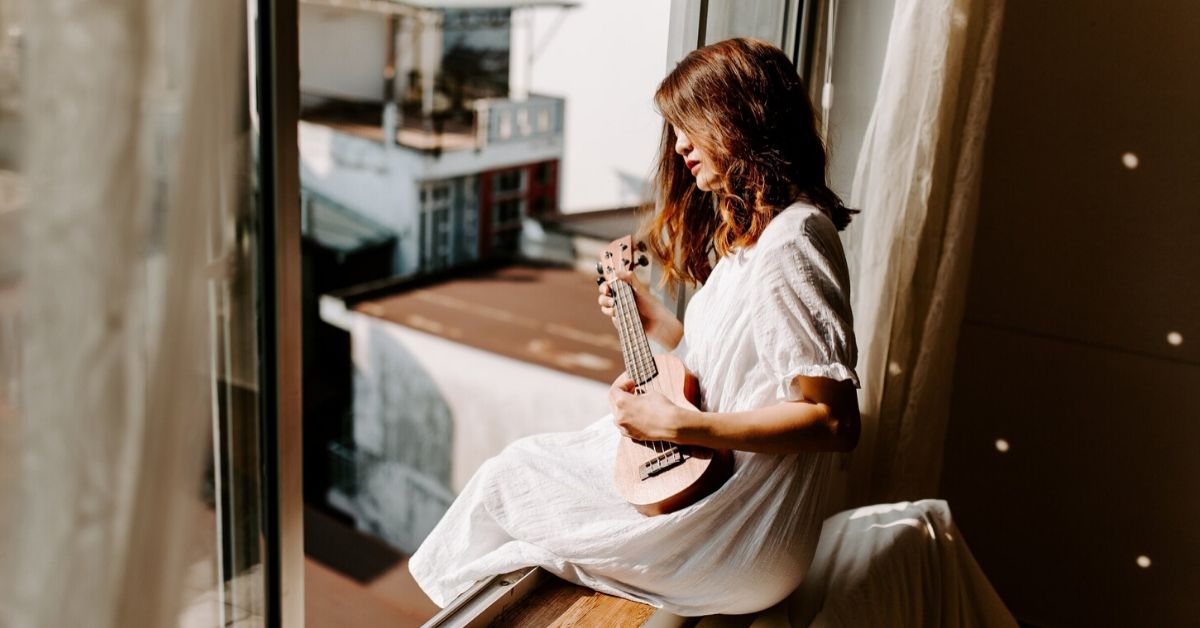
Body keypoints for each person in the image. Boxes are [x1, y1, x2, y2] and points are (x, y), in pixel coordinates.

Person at [409, 37, 861, 616]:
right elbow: (739, 368)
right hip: (725, 502)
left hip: (743, 537)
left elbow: (833, 420)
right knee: (520, 477)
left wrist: (681, 425)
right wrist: (658, 323)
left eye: (687, 125)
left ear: (737, 118)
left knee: (510, 477)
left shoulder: (794, 239)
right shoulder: (761, 239)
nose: (678, 146)